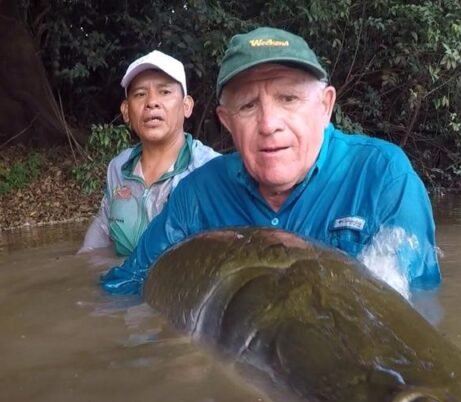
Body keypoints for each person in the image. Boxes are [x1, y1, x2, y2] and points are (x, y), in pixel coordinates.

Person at [100, 27, 441, 295]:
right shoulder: (198, 197)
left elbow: (410, 312)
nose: (268, 124)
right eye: (248, 105)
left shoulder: (382, 176)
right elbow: (126, 286)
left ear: (325, 105)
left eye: (288, 98)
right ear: (226, 120)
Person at [78, 50, 220, 256]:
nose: (152, 102)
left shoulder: (211, 170)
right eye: (140, 94)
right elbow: (102, 229)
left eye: (164, 92)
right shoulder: (119, 167)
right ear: (126, 111)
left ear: (187, 106)